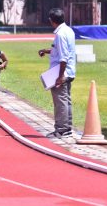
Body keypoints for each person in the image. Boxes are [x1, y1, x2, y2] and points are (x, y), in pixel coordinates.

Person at [38, 8, 76, 139]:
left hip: (60, 72)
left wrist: (60, 77)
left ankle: (62, 130)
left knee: (60, 102)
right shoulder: (68, 30)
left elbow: (63, 57)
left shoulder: (60, 34)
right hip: (68, 71)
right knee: (66, 101)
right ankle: (67, 128)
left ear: (51, 20)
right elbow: (60, 50)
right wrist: (46, 50)